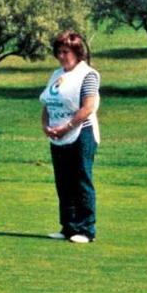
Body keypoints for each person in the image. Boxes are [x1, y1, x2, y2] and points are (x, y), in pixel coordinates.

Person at [39, 31, 100, 244]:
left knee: (81, 180)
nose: (62, 56)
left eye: (66, 52)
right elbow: (47, 103)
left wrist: (67, 126)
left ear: (77, 52)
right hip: (57, 136)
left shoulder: (88, 74)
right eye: (59, 52)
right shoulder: (56, 74)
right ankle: (68, 226)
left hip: (81, 133)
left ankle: (86, 229)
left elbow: (88, 107)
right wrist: (46, 125)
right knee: (63, 182)